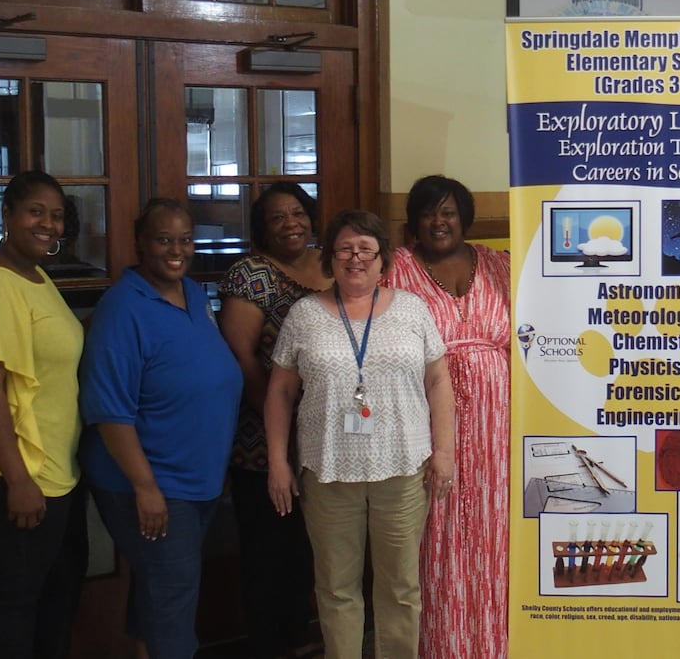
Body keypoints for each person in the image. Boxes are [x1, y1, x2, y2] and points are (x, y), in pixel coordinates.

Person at [264, 209, 455, 659]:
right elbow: (280, 391)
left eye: (366, 249)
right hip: (328, 472)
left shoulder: (412, 308)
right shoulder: (305, 315)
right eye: (345, 249)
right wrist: (277, 461)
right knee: (335, 588)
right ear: (329, 258)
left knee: (401, 588)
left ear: (382, 260)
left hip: (404, 470)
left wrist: (444, 450)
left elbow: (438, 381)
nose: (356, 258)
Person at [80, 198, 243, 659]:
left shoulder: (191, 293)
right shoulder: (122, 308)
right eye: (164, 239)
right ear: (140, 244)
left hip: (195, 479)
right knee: (174, 596)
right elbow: (110, 411)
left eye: (185, 240)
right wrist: (145, 487)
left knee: (160, 587)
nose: (177, 250)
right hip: (149, 482)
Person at [0, 170, 87, 659]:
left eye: (57, 214)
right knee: (14, 604)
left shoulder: (35, 274)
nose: (48, 223)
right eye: (35, 211)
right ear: (6, 215)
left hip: (50, 466)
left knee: (53, 596)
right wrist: (18, 479)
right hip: (8, 471)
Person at [385, 175, 512, 659]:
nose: (439, 222)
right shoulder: (396, 269)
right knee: (437, 537)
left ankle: (497, 643)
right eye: (428, 213)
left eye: (449, 212)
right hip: (429, 426)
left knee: (496, 531)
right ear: (414, 222)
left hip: (499, 427)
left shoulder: (498, 264)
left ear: (465, 218)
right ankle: (444, 644)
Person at [218, 183, 330, 659]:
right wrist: (279, 424)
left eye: (298, 212)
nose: (291, 223)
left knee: (312, 546)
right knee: (269, 549)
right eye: (277, 217)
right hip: (265, 440)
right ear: (262, 228)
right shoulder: (251, 274)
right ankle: (267, 643)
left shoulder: (331, 262)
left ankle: (301, 635)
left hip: (329, 436)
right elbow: (240, 356)